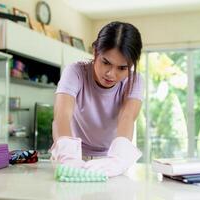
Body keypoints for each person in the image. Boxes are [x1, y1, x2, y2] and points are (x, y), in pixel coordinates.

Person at [50, 21, 144, 177]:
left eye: (122, 68)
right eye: (106, 62)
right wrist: (68, 157)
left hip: (109, 160)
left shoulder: (135, 81)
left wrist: (118, 160)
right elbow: (62, 115)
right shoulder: (75, 72)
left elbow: (127, 117)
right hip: (74, 154)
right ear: (95, 52)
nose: (111, 74)